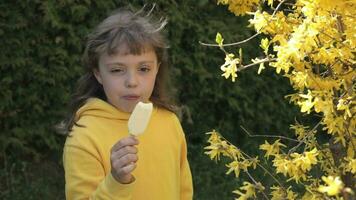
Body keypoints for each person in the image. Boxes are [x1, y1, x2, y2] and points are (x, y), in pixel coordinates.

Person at [60, 6, 193, 200]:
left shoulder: (169, 121)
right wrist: (116, 181)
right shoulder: (84, 138)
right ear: (98, 73)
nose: (132, 81)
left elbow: (184, 191)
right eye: (117, 70)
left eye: (144, 69)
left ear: (157, 69)